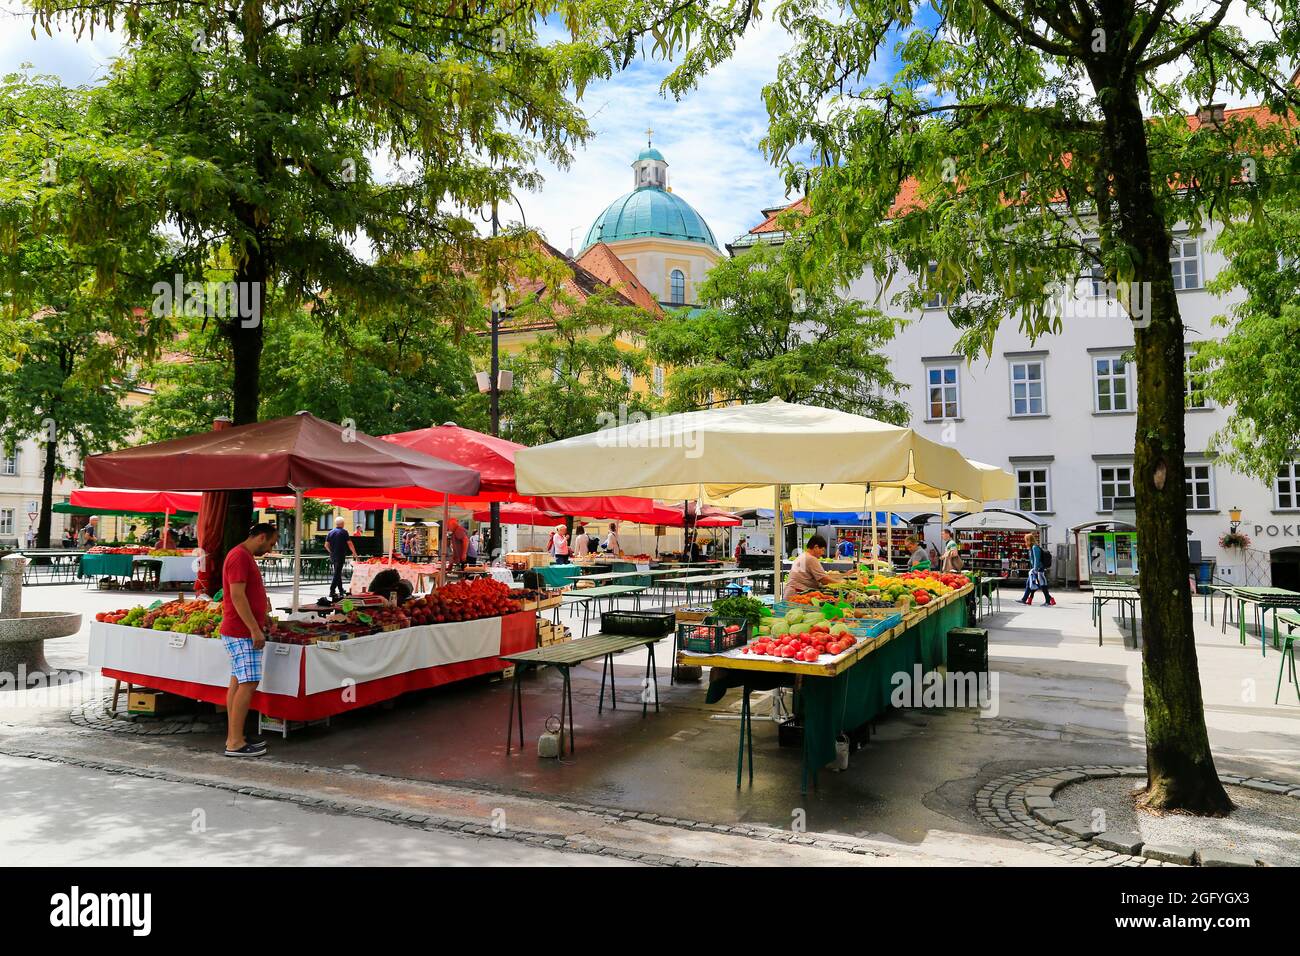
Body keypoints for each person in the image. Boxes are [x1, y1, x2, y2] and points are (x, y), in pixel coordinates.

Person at [220, 522, 279, 758]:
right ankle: (234, 742)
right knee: (248, 683)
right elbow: (237, 595)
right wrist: (255, 629)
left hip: (239, 629)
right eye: (271, 543)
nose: (270, 548)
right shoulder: (240, 557)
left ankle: (235, 736)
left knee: (238, 682)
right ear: (261, 537)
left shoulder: (242, 556)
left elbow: (246, 594)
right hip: (241, 631)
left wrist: (262, 617)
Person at [783, 534, 844, 600]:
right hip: (797, 595)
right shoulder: (811, 558)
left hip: (791, 593)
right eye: (822, 550)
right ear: (816, 547)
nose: (822, 553)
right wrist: (840, 584)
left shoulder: (803, 555)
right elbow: (823, 579)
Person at [1018, 532, 1056, 606]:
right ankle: (1025, 599)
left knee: (1041, 585)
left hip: (1038, 569)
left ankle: (1048, 600)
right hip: (1036, 569)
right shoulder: (1032, 547)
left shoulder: (1035, 547)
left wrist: (1035, 570)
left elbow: (1036, 559)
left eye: (1026, 540)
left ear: (1029, 540)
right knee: (1030, 583)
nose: (1025, 542)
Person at [326, 516, 357, 602]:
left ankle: (340, 589)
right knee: (337, 573)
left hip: (333, 555)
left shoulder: (330, 532)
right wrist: (354, 553)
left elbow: (326, 545)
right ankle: (332, 590)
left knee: (337, 572)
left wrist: (331, 551)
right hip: (340, 555)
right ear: (342, 524)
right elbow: (349, 543)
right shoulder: (344, 532)